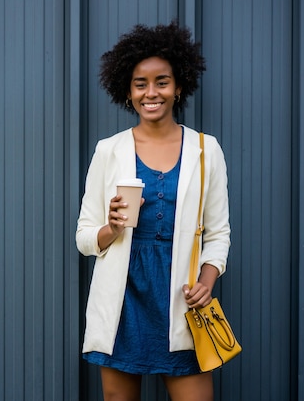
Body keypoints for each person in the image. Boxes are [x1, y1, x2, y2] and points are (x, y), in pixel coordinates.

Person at [76, 21, 231, 401]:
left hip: (181, 301)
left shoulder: (205, 150)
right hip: (122, 302)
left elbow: (218, 233)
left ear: (179, 86)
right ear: (127, 92)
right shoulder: (108, 151)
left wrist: (207, 282)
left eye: (162, 81)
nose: (151, 92)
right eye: (140, 84)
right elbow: (84, 237)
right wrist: (111, 228)